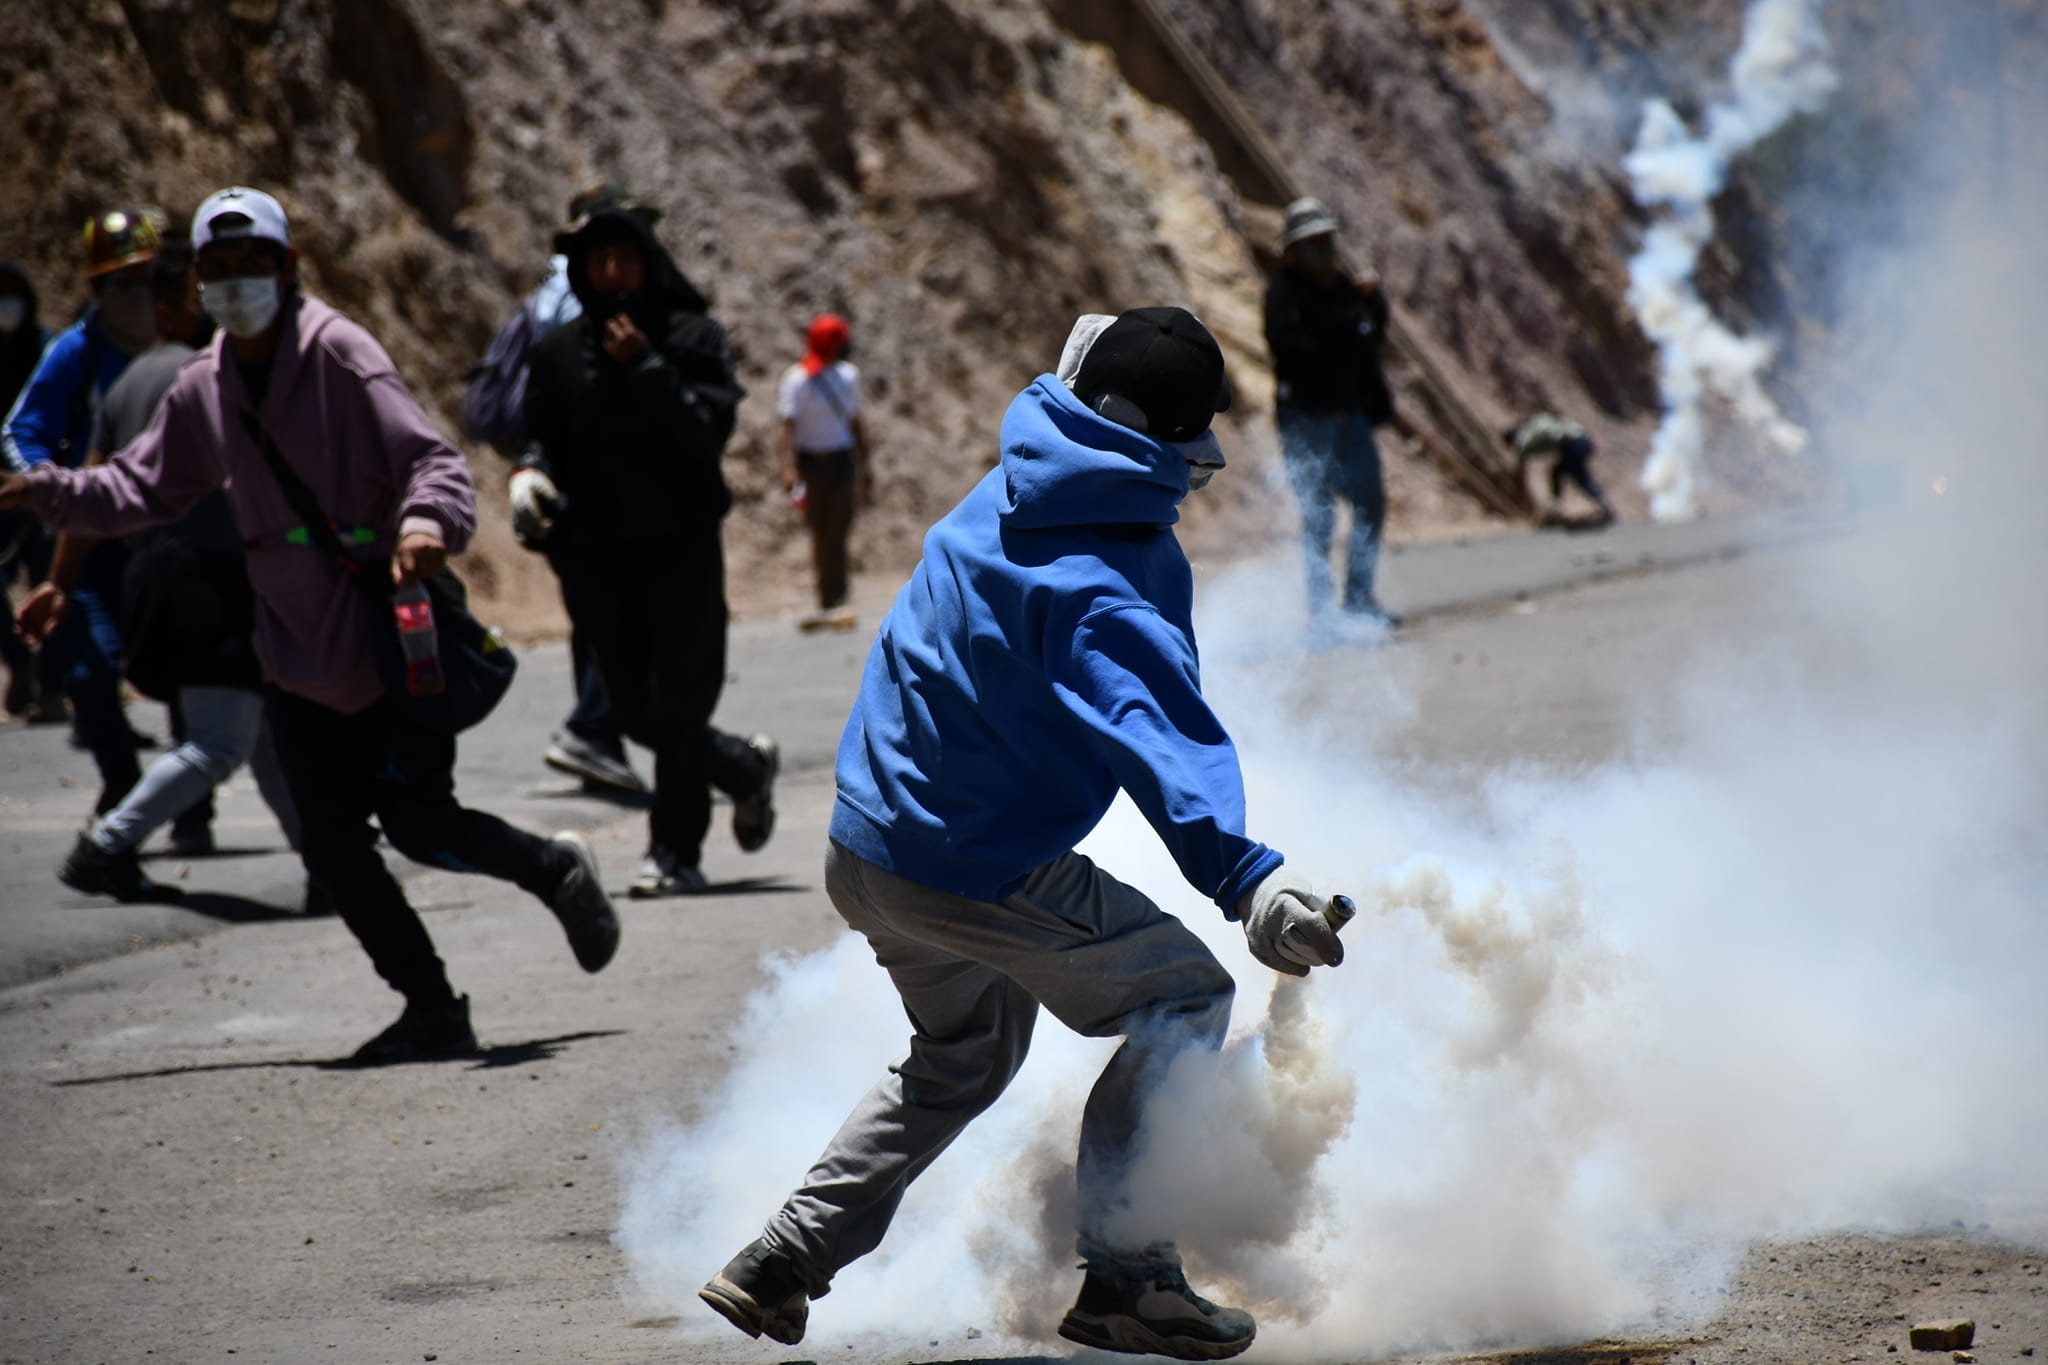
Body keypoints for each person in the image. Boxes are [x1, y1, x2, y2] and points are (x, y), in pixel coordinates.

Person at [699, 307, 1348, 1361]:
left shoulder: (1013, 480)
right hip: (969, 865)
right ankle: (1129, 1281)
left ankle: (783, 1257)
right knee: (1182, 995)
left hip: (867, 846)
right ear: (1160, 446)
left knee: (964, 1053)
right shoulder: (1109, 580)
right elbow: (1161, 737)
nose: (1197, 473)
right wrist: (1247, 882)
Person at [0, 187, 620, 1065]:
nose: (234, 283)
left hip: (385, 638)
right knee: (331, 848)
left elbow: (432, 460)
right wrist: (47, 490)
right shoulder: (204, 385)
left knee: (416, 822)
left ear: (288, 269)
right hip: (293, 656)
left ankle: (551, 868)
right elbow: (141, 487)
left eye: (252, 265)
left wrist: (423, 527)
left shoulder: (339, 353)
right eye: (217, 270)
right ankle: (433, 1006)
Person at [16, 236, 304, 902]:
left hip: (154, 578)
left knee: (258, 734)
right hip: (214, 580)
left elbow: (92, 491)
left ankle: (331, 863)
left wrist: (61, 579)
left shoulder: (124, 386)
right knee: (218, 741)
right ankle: (106, 843)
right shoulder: (211, 375)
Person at [521, 202, 779, 899]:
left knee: (679, 705)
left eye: (624, 258)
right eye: (598, 261)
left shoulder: (694, 338)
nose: (612, 273)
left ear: (648, 262)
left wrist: (648, 366)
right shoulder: (555, 353)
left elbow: (707, 431)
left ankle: (674, 851)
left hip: (682, 551)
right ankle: (743, 770)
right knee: (634, 713)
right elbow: (536, 434)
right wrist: (530, 476)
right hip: (598, 561)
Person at [464, 180, 656, 796]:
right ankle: (593, 728)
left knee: (592, 611)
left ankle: (598, 740)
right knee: (624, 610)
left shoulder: (543, 297)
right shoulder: (586, 300)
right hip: (590, 482)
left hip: (550, 477)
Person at [3, 210, 167, 801]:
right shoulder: (77, 352)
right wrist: (49, 488)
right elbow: (23, 432)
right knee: (88, 669)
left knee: (182, 666)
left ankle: (189, 801)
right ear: (96, 289)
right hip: (86, 544)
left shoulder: (186, 345)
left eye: (147, 278)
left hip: (165, 541)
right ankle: (121, 788)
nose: (137, 297)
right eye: (121, 282)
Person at [1263, 195, 1407, 632]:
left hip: (1351, 417)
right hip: (1308, 421)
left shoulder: (1342, 288)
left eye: (1327, 241)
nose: (1324, 251)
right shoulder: (1284, 295)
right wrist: (1344, 334)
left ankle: (1360, 600)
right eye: (1313, 244)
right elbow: (1295, 351)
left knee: (1370, 506)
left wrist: (1375, 302)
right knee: (1318, 516)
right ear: (1293, 252)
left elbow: (1370, 338)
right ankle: (1322, 615)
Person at [777, 312, 873, 631]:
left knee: (840, 527)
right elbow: (788, 428)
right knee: (819, 530)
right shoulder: (797, 379)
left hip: (841, 461)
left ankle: (841, 592)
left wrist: (865, 466)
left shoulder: (848, 377)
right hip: (811, 465)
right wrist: (790, 468)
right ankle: (826, 594)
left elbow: (856, 423)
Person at [0, 259, 53, 718]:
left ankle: (52, 683)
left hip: (43, 486)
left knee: (50, 580)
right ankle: (19, 662)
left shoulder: (48, 351)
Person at [1505, 411, 1616, 526]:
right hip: (1583, 440)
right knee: (1557, 472)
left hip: (1573, 445)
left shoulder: (1522, 437)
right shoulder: (1534, 424)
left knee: (1581, 478)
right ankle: (1557, 509)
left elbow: (1521, 465)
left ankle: (1606, 508)